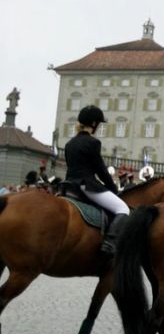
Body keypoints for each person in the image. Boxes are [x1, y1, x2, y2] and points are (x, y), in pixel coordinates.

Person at [63, 105, 129, 257]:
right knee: (123, 209)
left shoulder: (70, 143)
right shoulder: (92, 143)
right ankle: (109, 243)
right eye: (99, 123)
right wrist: (113, 189)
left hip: (69, 185)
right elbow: (101, 170)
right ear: (94, 124)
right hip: (86, 185)